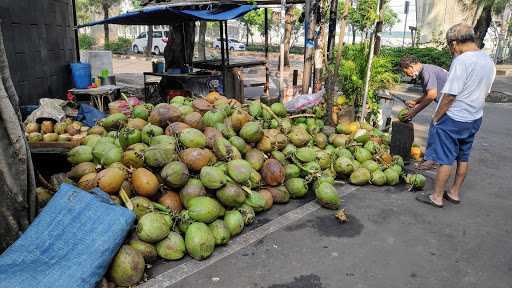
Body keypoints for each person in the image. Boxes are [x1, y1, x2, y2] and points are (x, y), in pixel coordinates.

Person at [416, 23, 496, 208]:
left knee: (445, 159)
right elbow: (486, 91)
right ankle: (454, 193)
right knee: (463, 157)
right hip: (474, 117)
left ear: (454, 43)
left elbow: (450, 95)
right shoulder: (488, 61)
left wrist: (437, 117)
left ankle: (436, 197)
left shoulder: (462, 61)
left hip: (454, 118)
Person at [399, 55, 449, 170]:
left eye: (406, 72)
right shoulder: (425, 71)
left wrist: (414, 112)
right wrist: (415, 102)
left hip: (451, 103)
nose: (407, 75)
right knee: (439, 129)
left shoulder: (426, 72)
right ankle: (433, 158)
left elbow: (432, 95)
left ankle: (431, 159)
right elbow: (428, 94)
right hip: (448, 103)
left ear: (411, 67)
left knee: (435, 126)